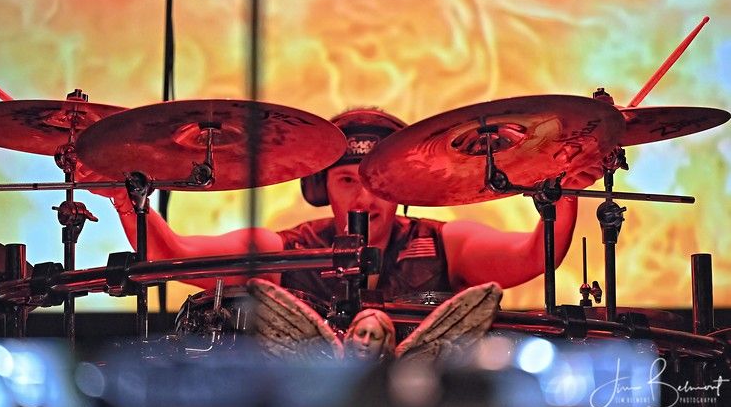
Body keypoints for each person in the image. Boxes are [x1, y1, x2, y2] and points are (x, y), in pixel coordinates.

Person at [88, 108, 602, 301]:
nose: (364, 197)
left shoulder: (448, 243)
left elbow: (534, 255)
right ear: (321, 188)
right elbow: (171, 255)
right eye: (348, 181)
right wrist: (127, 202)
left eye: (379, 182)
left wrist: (562, 195)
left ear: (404, 185)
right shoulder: (286, 251)